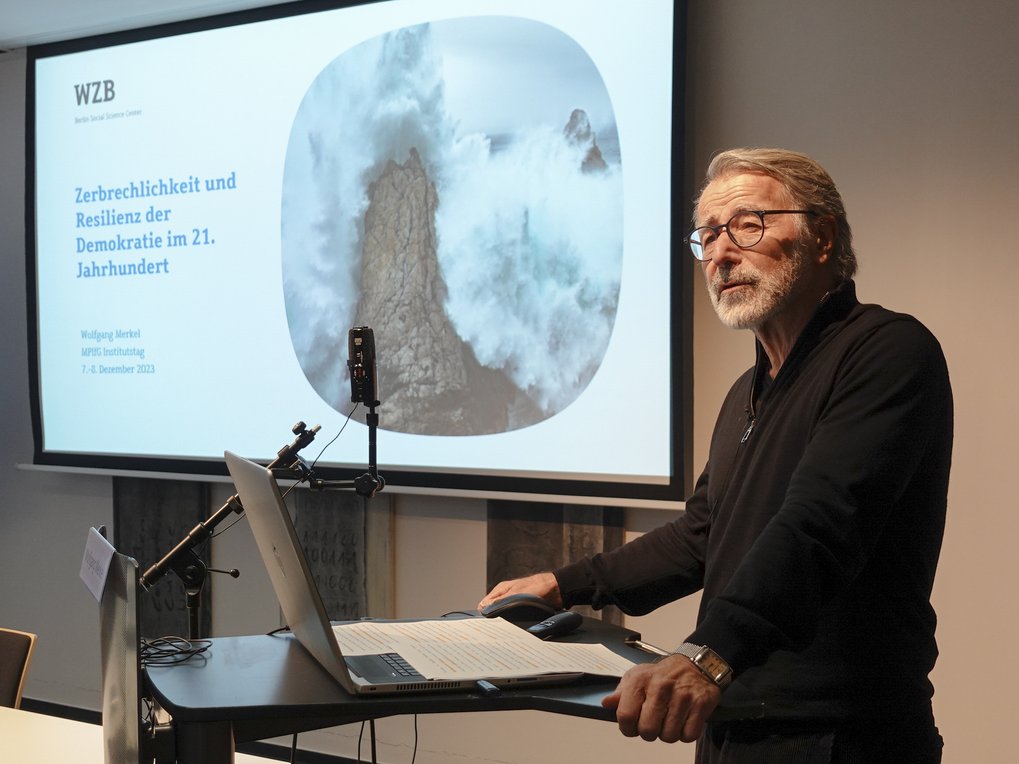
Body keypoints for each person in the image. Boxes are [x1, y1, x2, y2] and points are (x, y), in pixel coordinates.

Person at [480, 148, 953, 763]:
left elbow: (821, 525)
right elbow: (702, 535)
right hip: (733, 724)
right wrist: (564, 585)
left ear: (823, 238)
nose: (721, 253)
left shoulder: (887, 352)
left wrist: (707, 655)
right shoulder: (746, 393)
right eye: (706, 237)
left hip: (842, 736)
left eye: (747, 226)